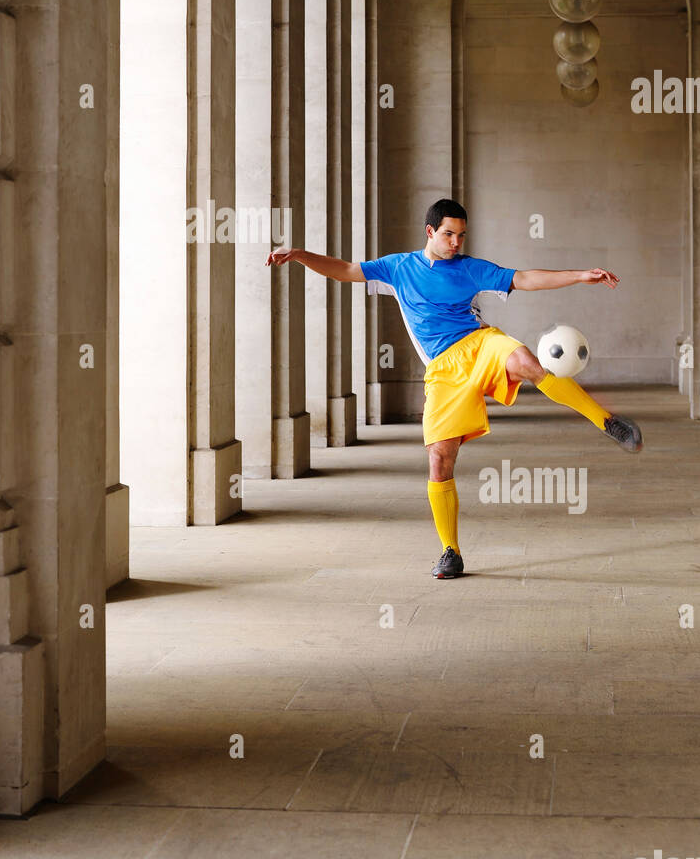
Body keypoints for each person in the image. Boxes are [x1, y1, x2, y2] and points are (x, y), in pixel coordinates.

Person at [265, 197, 643, 579]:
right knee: (439, 459)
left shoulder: (470, 269)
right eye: (448, 234)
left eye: (461, 235)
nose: (456, 242)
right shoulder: (398, 267)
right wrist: (299, 254)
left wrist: (579, 275)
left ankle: (607, 422)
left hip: (480, 343)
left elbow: (524, 278)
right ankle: (451, 551)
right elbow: (345, 270)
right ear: (430, 232)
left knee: (526, 362)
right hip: (443, 369)